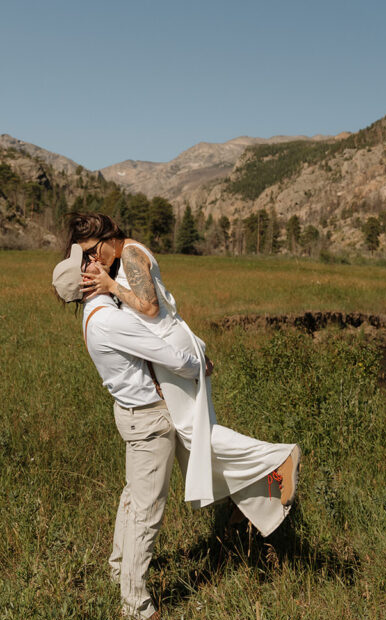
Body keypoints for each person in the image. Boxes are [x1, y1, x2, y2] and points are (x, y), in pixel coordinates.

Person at [63, 212, 301, 538]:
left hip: (171, 352)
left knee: (194, 433)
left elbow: (149, 308)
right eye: (87, 255)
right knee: (194, 440)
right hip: (169, 350)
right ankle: (249, 503)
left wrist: (111, 286)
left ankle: (276, 459)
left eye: (93, 250)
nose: (93, 259)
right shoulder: (127, 254)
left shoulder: (130, 253)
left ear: (108, 237)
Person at [52, 244, 204, 620]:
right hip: (149, 420)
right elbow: (167, 356)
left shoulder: (94, 315)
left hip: (132, 415)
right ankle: (135, 604)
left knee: (134, 498)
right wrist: (201, 363)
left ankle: (119, 568)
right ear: (86, 282)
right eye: (85, 264)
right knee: (147, 512)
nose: (93, 260)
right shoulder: (109, 320)